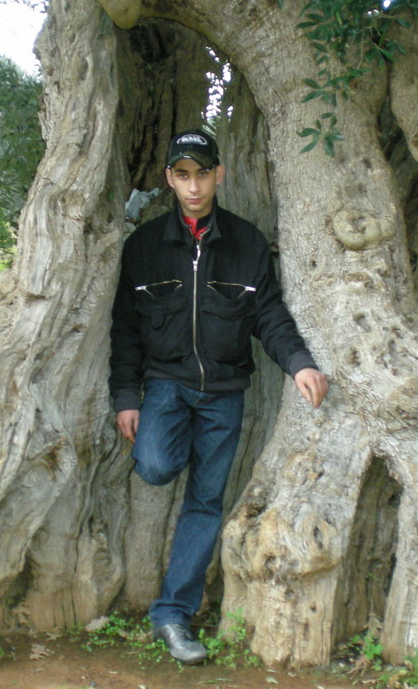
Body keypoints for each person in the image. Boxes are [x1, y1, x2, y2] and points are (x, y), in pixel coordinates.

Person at [109, 128, 328, 664]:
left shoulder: (248, 244)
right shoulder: (143, 248)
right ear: (169, 178)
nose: (192, 186)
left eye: (202, 173)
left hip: (226, 395)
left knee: (205, 503)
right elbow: (126, 329)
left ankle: (172, 614)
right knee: (157, 465)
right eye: (181, 175)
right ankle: (172, 443)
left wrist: (299, 363)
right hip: (165, 384)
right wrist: (125, 398)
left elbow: (269, 315)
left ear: (218, 175)